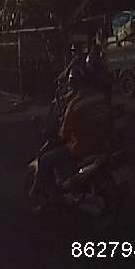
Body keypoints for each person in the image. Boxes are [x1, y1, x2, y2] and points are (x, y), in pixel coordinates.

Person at [31, 66, 114, 201]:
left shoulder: (75, 105)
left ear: (73, 85)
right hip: (103, 143)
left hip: (82, 148)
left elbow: (64, 134)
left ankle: (55, 194)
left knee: (46, 159)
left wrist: (56, 133)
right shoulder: (99, 96)